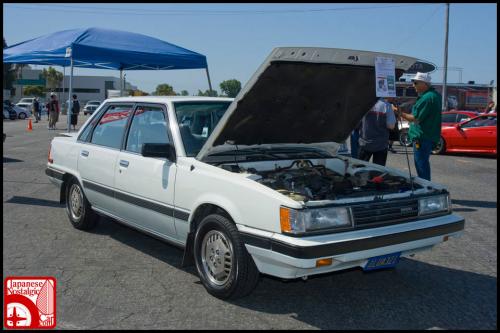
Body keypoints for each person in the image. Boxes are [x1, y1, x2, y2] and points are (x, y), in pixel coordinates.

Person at [396, 72, 441, 181]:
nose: (413, 85)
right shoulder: (436, 95)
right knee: (423, 163)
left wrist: (400, 113)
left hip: (422, 137)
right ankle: (425, 185)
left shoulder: (426, 98)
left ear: (424, 84)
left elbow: (415, 118)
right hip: (429, 136)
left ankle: (425, 188)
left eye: (415, 83)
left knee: (421, 165)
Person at [358, 96, 396, 166]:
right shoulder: (386, 105)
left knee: (359, 169)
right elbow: (391, 126)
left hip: (364, 143)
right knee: (378, 171)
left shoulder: (364, 103)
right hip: (381, 144)